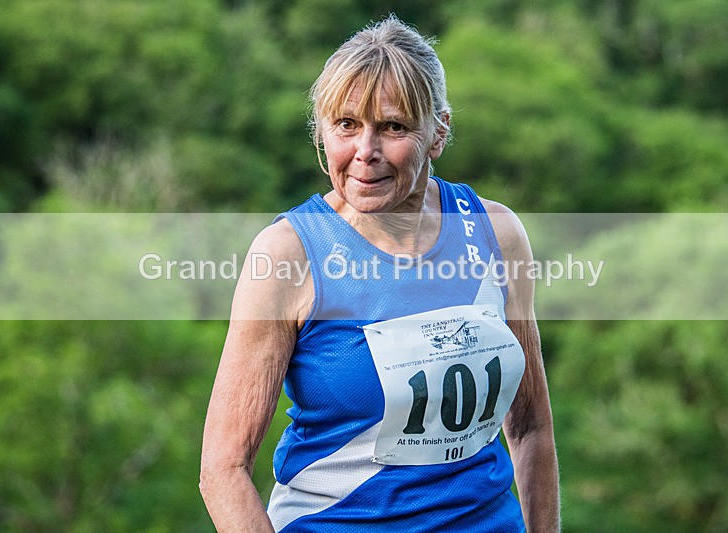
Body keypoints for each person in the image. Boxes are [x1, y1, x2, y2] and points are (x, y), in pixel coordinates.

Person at [200, 15, 559, 532]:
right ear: (322, 134)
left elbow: (530, 427)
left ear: (437, 133)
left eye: (392, 127)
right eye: (346, 125)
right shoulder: (287, 256)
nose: (365, 153)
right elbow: (223, 469)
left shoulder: (496, 235)